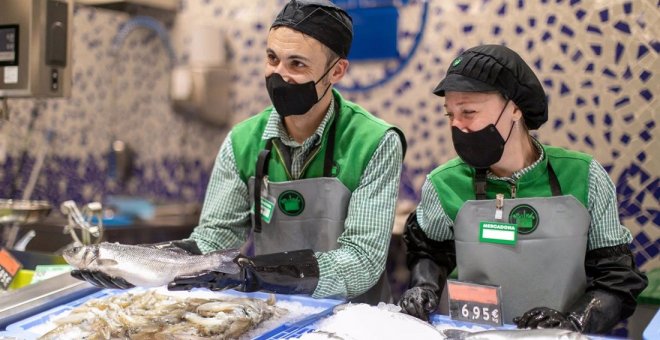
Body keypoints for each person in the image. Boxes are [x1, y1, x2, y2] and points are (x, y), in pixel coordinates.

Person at [71, 0, 406, 304]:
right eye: (272, 58)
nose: (279, 75)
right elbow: (215, 237)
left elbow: (362, 262)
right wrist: (133, 264)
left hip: (356, 319)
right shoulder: (243, 140)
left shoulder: (375, 142)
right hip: (279, 312)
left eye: (297, 64)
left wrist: (254, 272)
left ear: (336, 71)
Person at [397, 44, 647, 333]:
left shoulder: (584, 176)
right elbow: (430, 253)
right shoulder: (444, 184)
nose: (457, 126)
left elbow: (617, 277)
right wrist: (423, 288)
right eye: (450, 115)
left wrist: (575, 321)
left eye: (468, 112)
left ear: (514, 109)